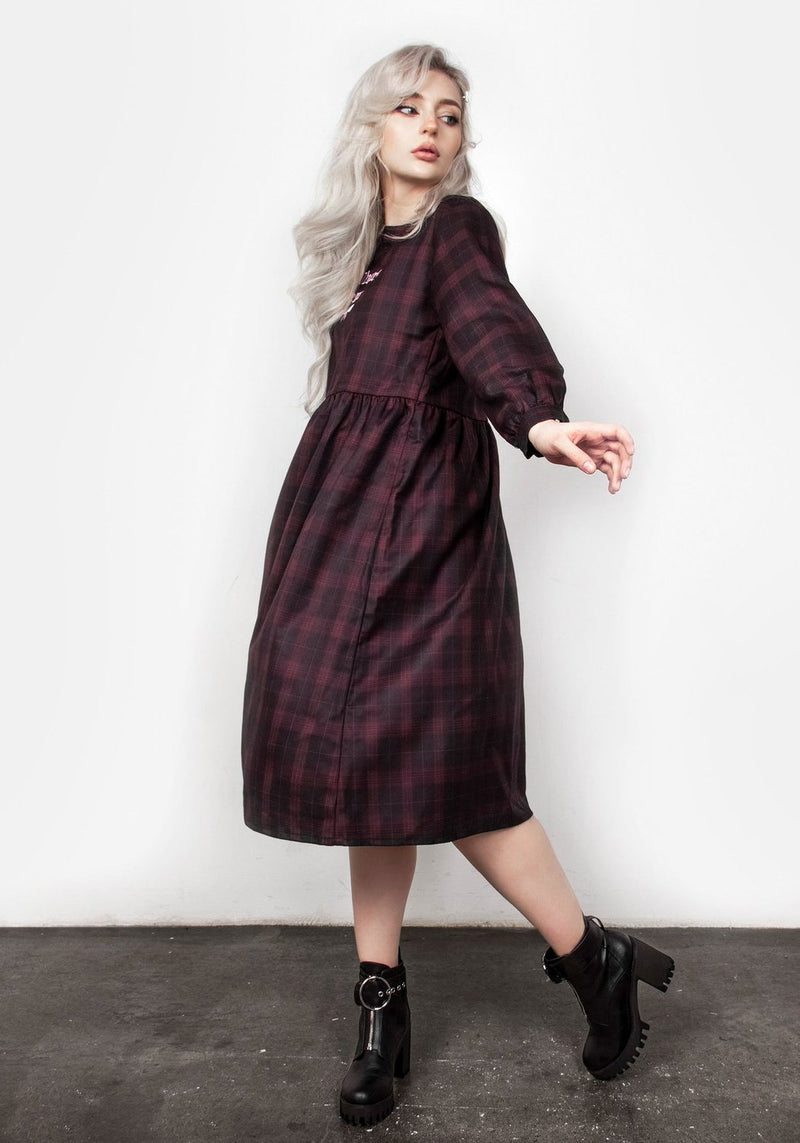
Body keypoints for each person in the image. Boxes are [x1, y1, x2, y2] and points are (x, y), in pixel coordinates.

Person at [241, 43, 674, 1128]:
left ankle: (593, 958)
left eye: (447, 112)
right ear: (371, 128)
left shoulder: (455, 230)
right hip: (338, 527)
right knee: (361, 768)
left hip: (425, 537)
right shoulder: (365, 254)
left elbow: (490, 332)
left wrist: (540, 419)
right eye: (407, 108)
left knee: (455, 772)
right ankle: (379, 1012)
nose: (429, 126)